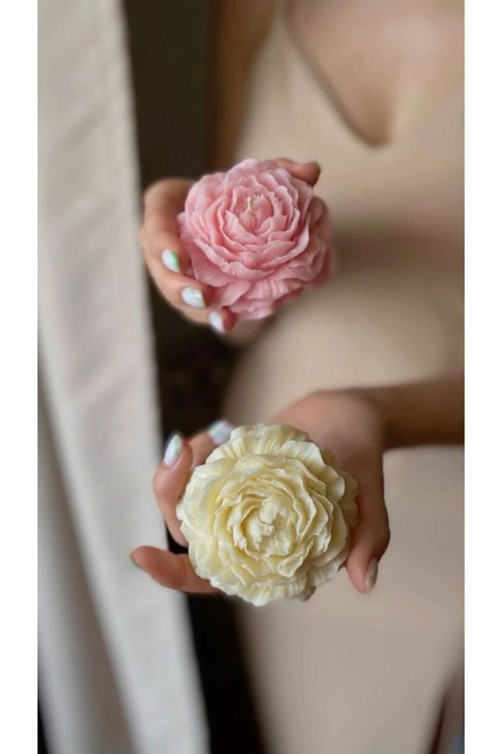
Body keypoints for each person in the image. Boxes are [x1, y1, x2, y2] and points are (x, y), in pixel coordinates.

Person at [133, 2, 463, 752]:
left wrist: (378, 410)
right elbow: (255, 315)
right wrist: (197, 267)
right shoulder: (253, 9)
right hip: (291, 510)